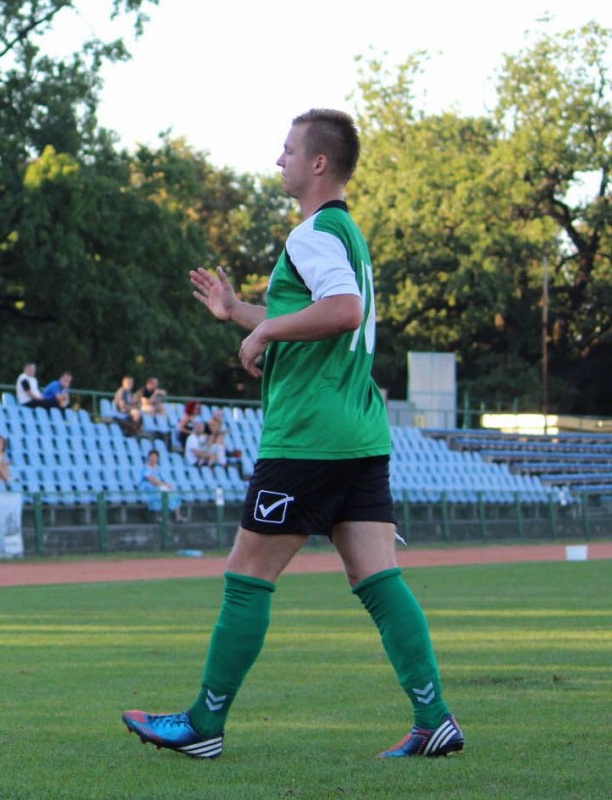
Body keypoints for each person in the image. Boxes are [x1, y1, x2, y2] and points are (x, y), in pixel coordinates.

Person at [123, 109, 463, 761]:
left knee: (247, 574)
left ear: (318, 163)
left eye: (288, 150)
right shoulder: (346, 235)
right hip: (359, 432)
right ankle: (433, 718)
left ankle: (203, 724)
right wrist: (238, 312)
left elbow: (343, 311)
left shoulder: (311, 234)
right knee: (378, 578)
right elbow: (319, 313)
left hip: (308, 435)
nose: (279, 160)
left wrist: (266, 330)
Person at [139, 449, 183, 521]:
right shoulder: (146, 468)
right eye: (152, 457)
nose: (153, 459)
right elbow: (152, 480)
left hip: (160, 486)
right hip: (149, 488)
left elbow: (163, 479)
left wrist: (167, 485)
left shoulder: (158, 468)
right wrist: (164, 485)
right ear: (149, 457)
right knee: (162, 495)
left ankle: (178, 516)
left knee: (174, 495)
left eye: (155, 457)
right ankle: (161, 517)